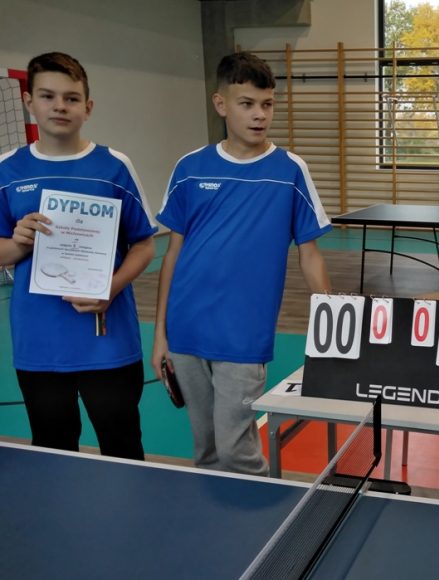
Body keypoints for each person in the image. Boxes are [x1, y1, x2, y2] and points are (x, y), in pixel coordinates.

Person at [152, 52, 332, 476]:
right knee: (206, 450)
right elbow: (173, 253)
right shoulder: (190, 168)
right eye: (247, 104)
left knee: (236, 451)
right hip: (186, 330)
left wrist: (335, 317)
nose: (259, 115)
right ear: (221, 104)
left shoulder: (289, 170)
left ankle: (266, 513)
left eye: (267, 104)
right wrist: (160, 334)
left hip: (244, 337)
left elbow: (309, 253)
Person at [0, 52, 157, 459]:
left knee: (123, 449)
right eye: (48, 96)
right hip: (39, 345)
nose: (60, 106)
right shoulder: (7, 170)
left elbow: (144, 244)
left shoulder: (114, 166)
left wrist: (111, 287)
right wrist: (20, 242)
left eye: (71, 98)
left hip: (108, 341)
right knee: (53, 452)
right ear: (29, 102)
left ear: (87, 107)